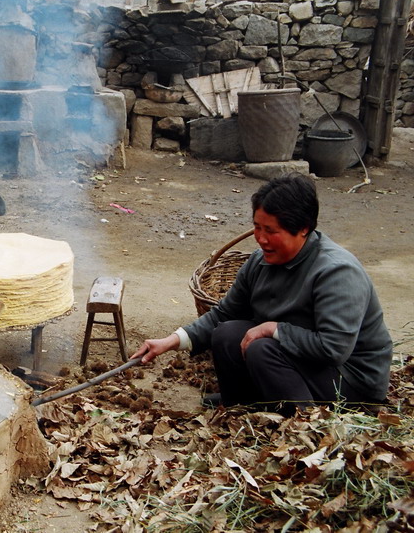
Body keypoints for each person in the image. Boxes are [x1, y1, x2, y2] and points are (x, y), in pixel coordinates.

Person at [132, 173, 392, 412]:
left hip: (350, 381)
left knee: (262, 348)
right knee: (226, 332)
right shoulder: (259, 262)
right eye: (257, 227)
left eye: (271, 231)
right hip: (305, 361)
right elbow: (223, 314)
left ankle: (299, 416)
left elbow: (333, 349)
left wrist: (272, 329)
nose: (261, 238)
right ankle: (240, 404)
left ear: (303, 228)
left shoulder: (337, 272)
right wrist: (171, 341)